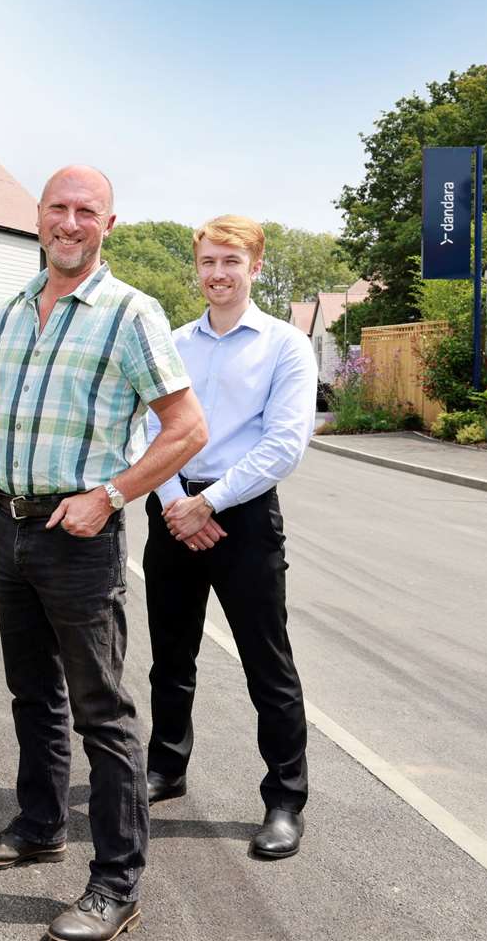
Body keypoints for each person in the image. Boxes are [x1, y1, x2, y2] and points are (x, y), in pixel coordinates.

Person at [0, 165, 207, 941]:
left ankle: (115, 884)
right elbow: (5, 410)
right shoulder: (7, 311)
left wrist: (110, 494)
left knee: (102, 712)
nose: (69, 223)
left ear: (108, 223)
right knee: (31, 694)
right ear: (38, 216)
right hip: (11, 528)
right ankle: (37, 825)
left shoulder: (130, 314)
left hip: (80, 538)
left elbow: (185, 428)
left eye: (85, 212)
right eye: (58, 209)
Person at [141, 215, 317, 860]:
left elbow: (284, 444)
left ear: (255, 268)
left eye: (230, 263)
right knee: (171, 657)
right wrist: (172, 502)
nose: (217, 274)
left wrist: (208, 502)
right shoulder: (173, 343)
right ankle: (166, 769)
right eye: (208, 262)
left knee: (267, 665)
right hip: (173, 507)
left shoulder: (284, 346)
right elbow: (144, 426)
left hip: (242, 517)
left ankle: (285, 800)